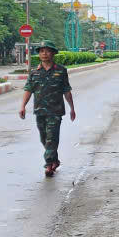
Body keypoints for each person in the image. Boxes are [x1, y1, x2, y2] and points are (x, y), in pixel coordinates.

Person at [18, 41, 76, 177]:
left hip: (55, 111)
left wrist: (72, 108)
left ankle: (49, 164)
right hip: (40, 110)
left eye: (47, 51)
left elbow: (67, 91)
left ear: (53, 53)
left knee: (52, 138)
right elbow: (28, 89)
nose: (44, 53)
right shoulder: (34, 72)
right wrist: (22, 106)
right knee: (44, 138)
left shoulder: (61, 71)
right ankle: (54, 159)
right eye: (41, 51)